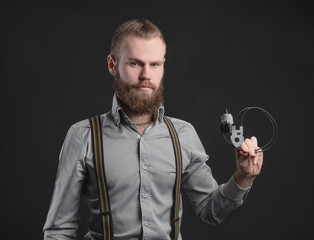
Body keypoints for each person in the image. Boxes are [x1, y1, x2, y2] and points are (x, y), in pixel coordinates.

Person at [43, 18, 264, 240]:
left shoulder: (183, 134)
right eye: (135, 63)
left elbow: (210, 210)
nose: (146, 76)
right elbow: (59, 230)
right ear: (112, 65)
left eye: (155, 64)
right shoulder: (83, 137)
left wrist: (242, 178)